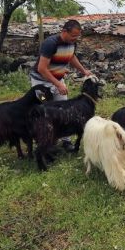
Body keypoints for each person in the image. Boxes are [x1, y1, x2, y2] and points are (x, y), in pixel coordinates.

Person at [30, 19, 93, 151]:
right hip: (40, 84)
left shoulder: (71, 43)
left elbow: (71, 57)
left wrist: (83, 71)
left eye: (77, 36)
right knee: (45, 108)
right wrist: (58, 84)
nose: (75, 39)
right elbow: (42, 68)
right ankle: (46, 141)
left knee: (64, 110)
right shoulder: (50, 43)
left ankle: (66, 140)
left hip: (58, 80)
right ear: (64, 31)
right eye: (73, 35)